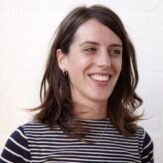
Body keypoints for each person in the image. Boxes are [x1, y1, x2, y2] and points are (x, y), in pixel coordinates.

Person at [0, 4, 154, 163]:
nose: (105, 62)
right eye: (90, 49)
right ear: (62, 60)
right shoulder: (26, 143)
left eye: (115, 51)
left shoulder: (139, 143)